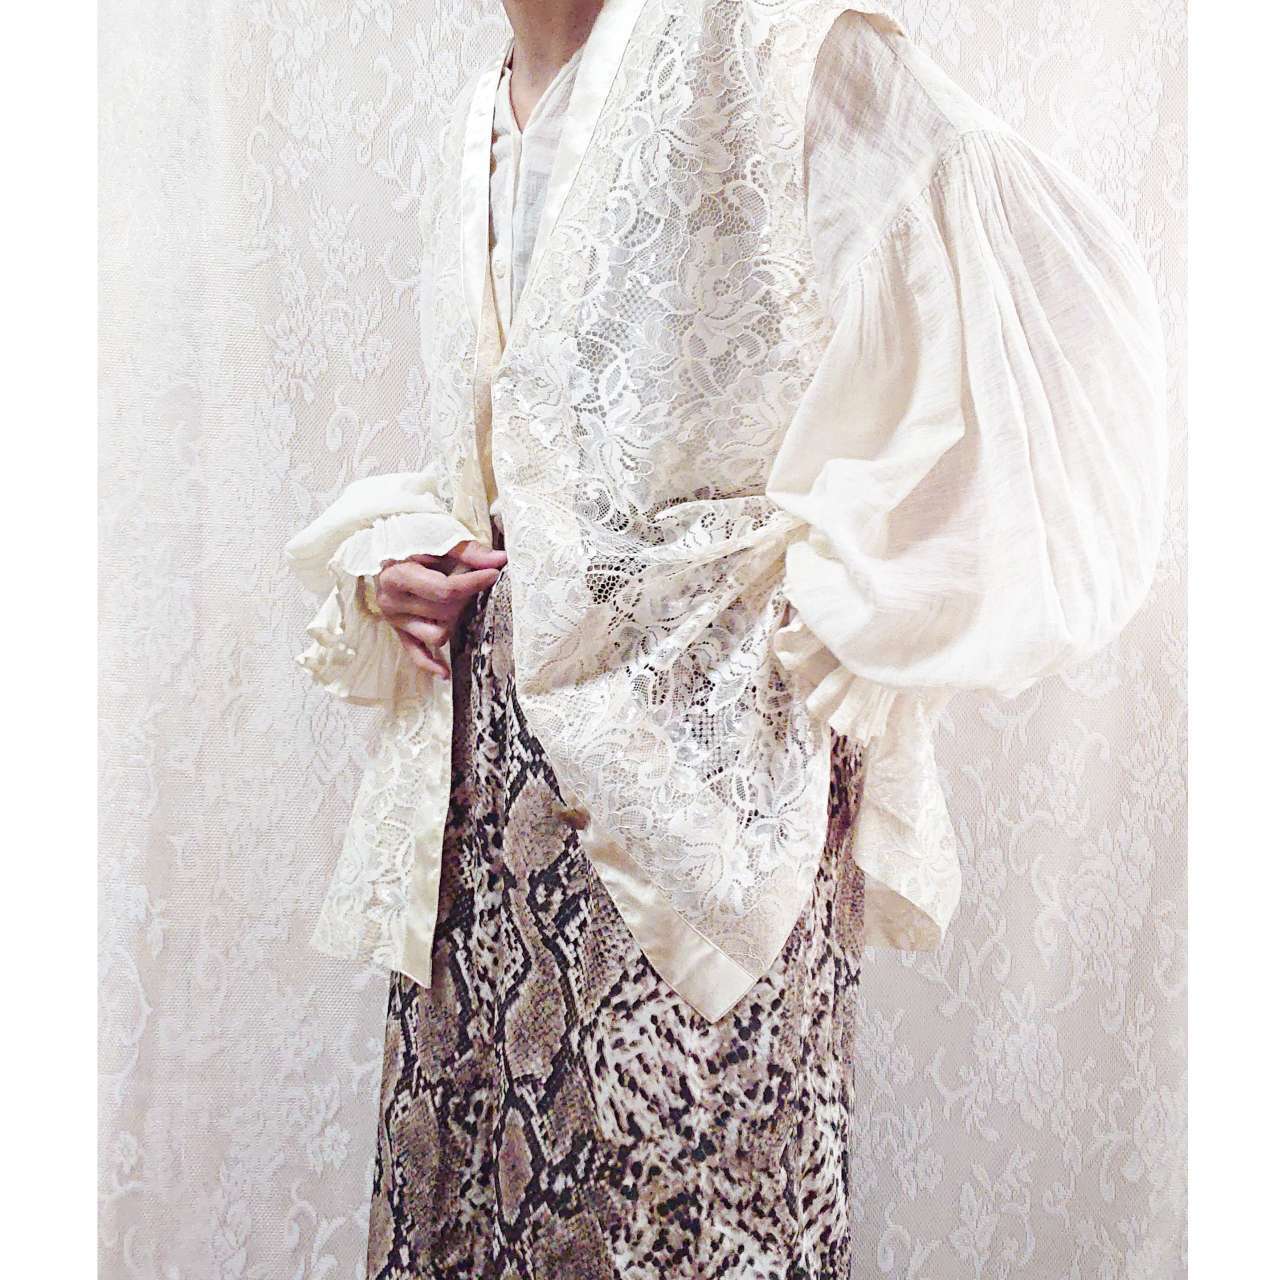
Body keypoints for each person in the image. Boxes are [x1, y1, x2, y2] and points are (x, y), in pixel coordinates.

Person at [283, 2, 1167, 1275]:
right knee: (481, 1215)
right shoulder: (481, 109)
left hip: (703, 821)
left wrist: (843, 583)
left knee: (686, 1225)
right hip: (480, 836)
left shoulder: (769, 43)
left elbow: (1044, 292)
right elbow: (543, 459)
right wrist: (411, 566)